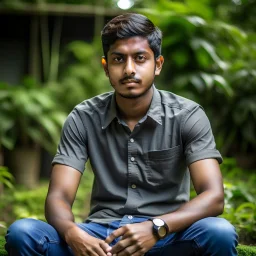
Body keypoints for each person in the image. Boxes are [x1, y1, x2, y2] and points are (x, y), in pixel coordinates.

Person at [5, 13, 238, 256]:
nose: (129, 69)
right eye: (118, 59)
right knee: (24, 232)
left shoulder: (187, 115)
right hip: (101, 240)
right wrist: (73, 233)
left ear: (157, 64)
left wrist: (156, 227)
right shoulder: (83, 117)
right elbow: (59, 196)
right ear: (106, 67)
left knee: (218, 232)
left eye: (140, 58)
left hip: (166, 237)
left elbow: (213, 196)